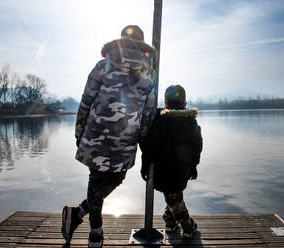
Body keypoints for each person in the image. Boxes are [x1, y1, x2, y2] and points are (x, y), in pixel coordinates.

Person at [61, 25, 157, 248]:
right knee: (116, 178)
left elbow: (86, 101)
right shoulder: (149, 74)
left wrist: (79, 133)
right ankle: (94, 231)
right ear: (142, 45)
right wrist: (142, 143)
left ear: (120, 41)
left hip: (96, 135)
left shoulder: (103, 66)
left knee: (97, 181)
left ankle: (82, 215)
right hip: (127, 138)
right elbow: (148, 114)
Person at [140, 84, 203, 239]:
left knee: (172, 197)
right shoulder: (192, 122)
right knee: (173, 195)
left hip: (162, 169)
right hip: (182, 170)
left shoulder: (160, 121)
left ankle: (187, 227)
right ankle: (170, 223)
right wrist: (194, 166)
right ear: (185, 103)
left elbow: (151, 146)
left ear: (165, 103)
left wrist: (145, 165)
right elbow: (197, 145)